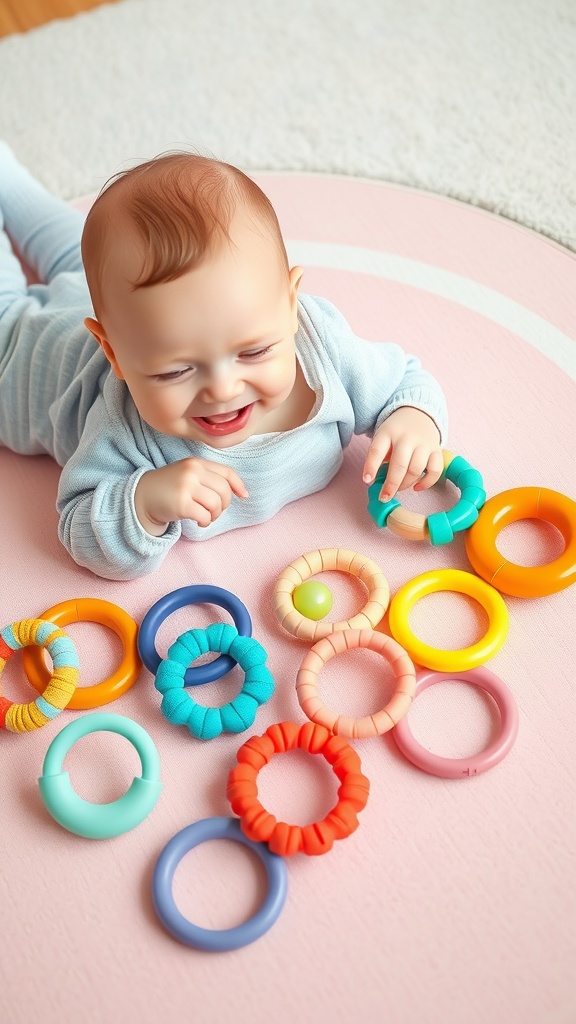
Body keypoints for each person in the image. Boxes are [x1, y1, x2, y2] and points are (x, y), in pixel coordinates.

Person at [0, 144, 448, 580]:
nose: (223, 389)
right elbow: (80, 528)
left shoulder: (320, 342)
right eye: (175, 372)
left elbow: (404, 381)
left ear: (290, 307)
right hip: (25, 361)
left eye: (253, 352)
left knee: (73, 258)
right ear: (114, 353)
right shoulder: (123, 425)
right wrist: (145, 502)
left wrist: (412, 420)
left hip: (137, 320)